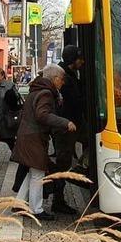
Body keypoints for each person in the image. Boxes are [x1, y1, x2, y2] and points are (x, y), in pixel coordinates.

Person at [12, 64, 77, 221]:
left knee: (33, 172)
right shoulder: (46, 93)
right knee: (38, 174)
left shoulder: (37, 89)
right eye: (61, 80)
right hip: (34, 137)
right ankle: (36, 209)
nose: (62, 83)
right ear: (55, 79)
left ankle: (19, 204)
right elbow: (42, 115)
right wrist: (64, 122)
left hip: (28, 135)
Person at [52, 45, 85, 215]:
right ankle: (58, 200)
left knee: (66, 160)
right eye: (80, 58)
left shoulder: (71, 74)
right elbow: (72, 101)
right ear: (73, 60)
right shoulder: (63, 76)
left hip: (72, 125)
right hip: (66, 127)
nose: (82, 62)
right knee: (62, 164)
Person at [0, 68, 20, 150]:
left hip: (7, 116)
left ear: (2, 76)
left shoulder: (10, 85)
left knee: (8, 138)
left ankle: (16, 155)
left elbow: (16, 98)